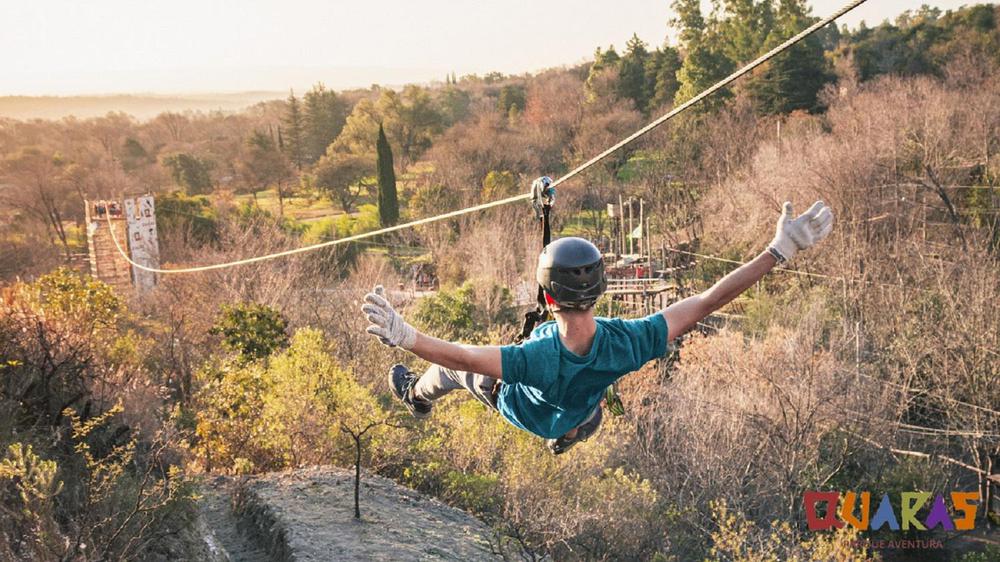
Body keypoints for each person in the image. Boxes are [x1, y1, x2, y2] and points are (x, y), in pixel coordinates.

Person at [362, 200, 834, 454]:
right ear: (602, 289)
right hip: (577, 410)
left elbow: (462, 357)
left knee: (454, 376)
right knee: (589, 414)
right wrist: (779, 251)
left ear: (547, 299)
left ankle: (414, 399)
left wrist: (408, 336)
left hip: (525, 410)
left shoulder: (533, 360)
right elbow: (708, 300)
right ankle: (568, 435)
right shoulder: (629, 343)